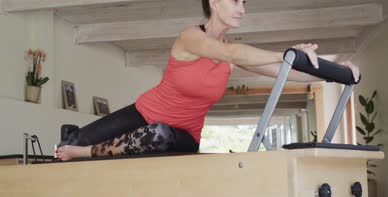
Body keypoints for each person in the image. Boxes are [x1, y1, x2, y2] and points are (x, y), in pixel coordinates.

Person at [56, 0, 360, 161]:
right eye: (235, 0)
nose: (242, 8)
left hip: (182, 135)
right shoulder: (191, 37)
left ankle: (82, 151)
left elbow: (289, 71)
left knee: (159, 134)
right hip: (142, 112)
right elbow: (236, 52)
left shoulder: (231, 50)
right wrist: (289, 52)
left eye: (244, 2)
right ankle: (76, 141)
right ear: (214, 2)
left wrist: (338, 69)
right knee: (65, 147)